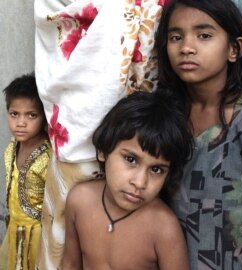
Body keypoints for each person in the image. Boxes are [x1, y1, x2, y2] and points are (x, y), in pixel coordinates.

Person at [34, 0, 182, 268]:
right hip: (70, 164)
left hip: (141, 159)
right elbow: (54, 86)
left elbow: (169, 83)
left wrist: (139, 160)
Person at [156, 0, 242, 269]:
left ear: (234, 49)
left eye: (204, 35)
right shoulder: (161, 117)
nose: (187, 47)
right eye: (175, 37)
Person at [61, 90, 193, 270]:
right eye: (131, 159)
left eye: (156, 169)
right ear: (103, 150)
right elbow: (70, 264)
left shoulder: (164, 228)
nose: (140, 183)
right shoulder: (79, 200)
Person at [0, 73, 51, 270]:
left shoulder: (48, 157)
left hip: (38, 238)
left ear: (44, 117)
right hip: (13, 231)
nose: (21, 123)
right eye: (14, 114)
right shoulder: (11, 148)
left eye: (31, 115)